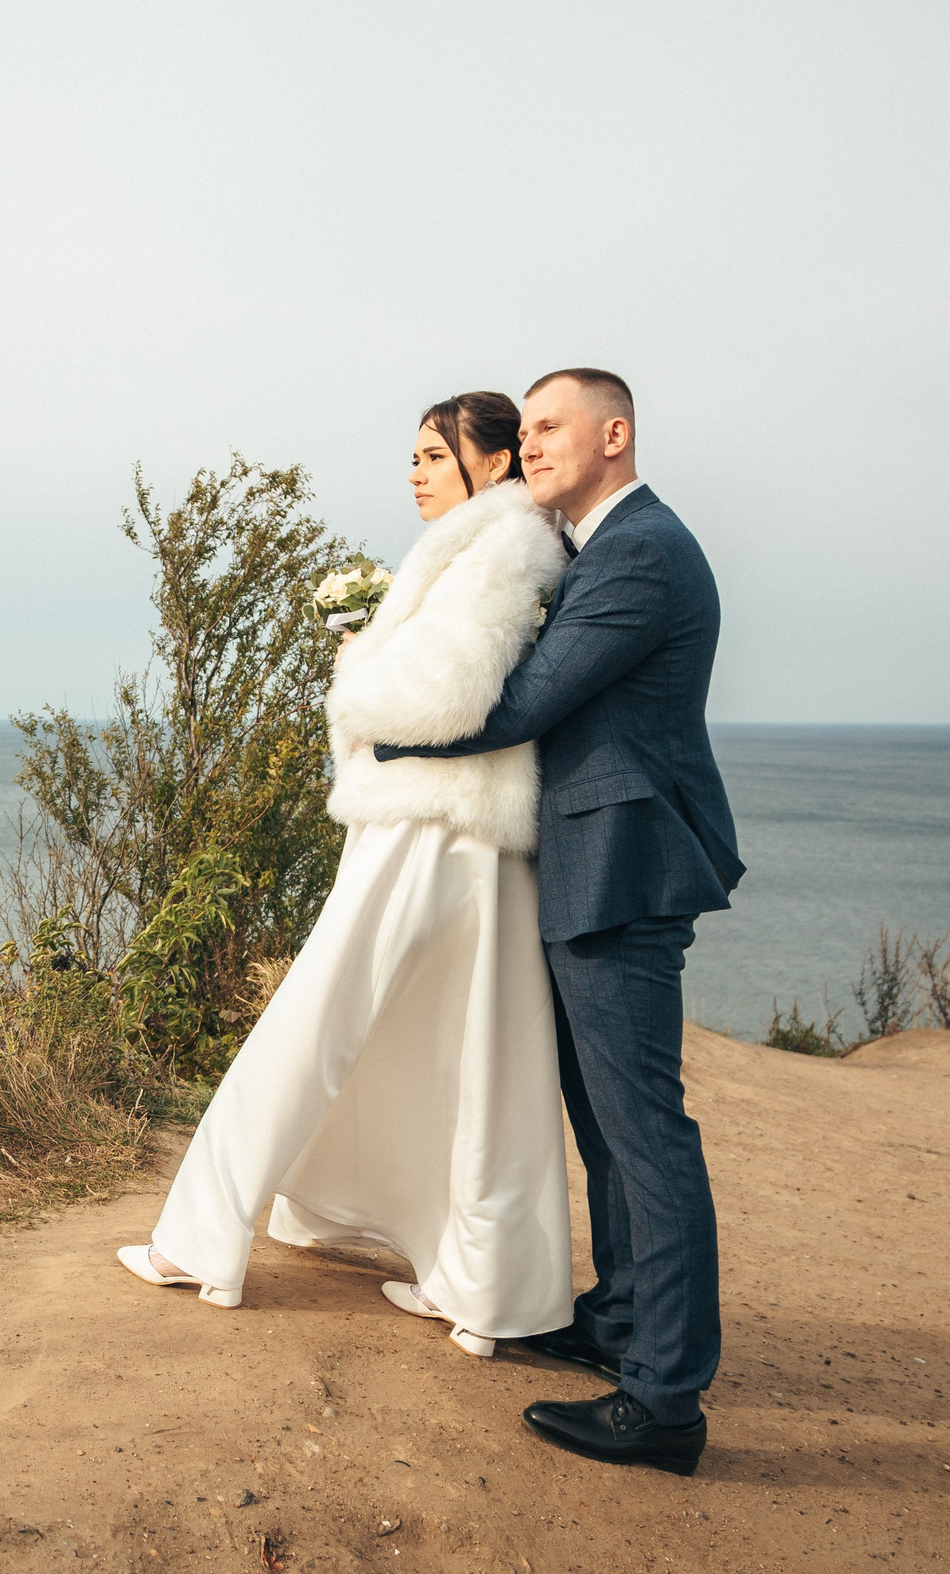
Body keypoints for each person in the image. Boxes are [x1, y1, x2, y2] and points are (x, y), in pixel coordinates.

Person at [117, 391, 574, 1356]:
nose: (413, 471)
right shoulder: (492, 544)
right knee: (472, 1058)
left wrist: (357, 667)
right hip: (465, 835)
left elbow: (447, 692)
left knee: (313, 1021)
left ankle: (200, 1241)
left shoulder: (503, 548)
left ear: (491, 463)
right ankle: (484, 1292)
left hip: (429, 829)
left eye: (432, 454)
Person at [373, 367, 743, 1476]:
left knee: (643, 1133)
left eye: (549, 428)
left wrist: (389, 734)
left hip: (621, 866)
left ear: (613, 434)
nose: (528, 446)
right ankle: (624, 1320)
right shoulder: (603, 548)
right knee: (602, 1126)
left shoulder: (641, 552)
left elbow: (532, 700)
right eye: (523, 431)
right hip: (590, 864)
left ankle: (666, 1402)